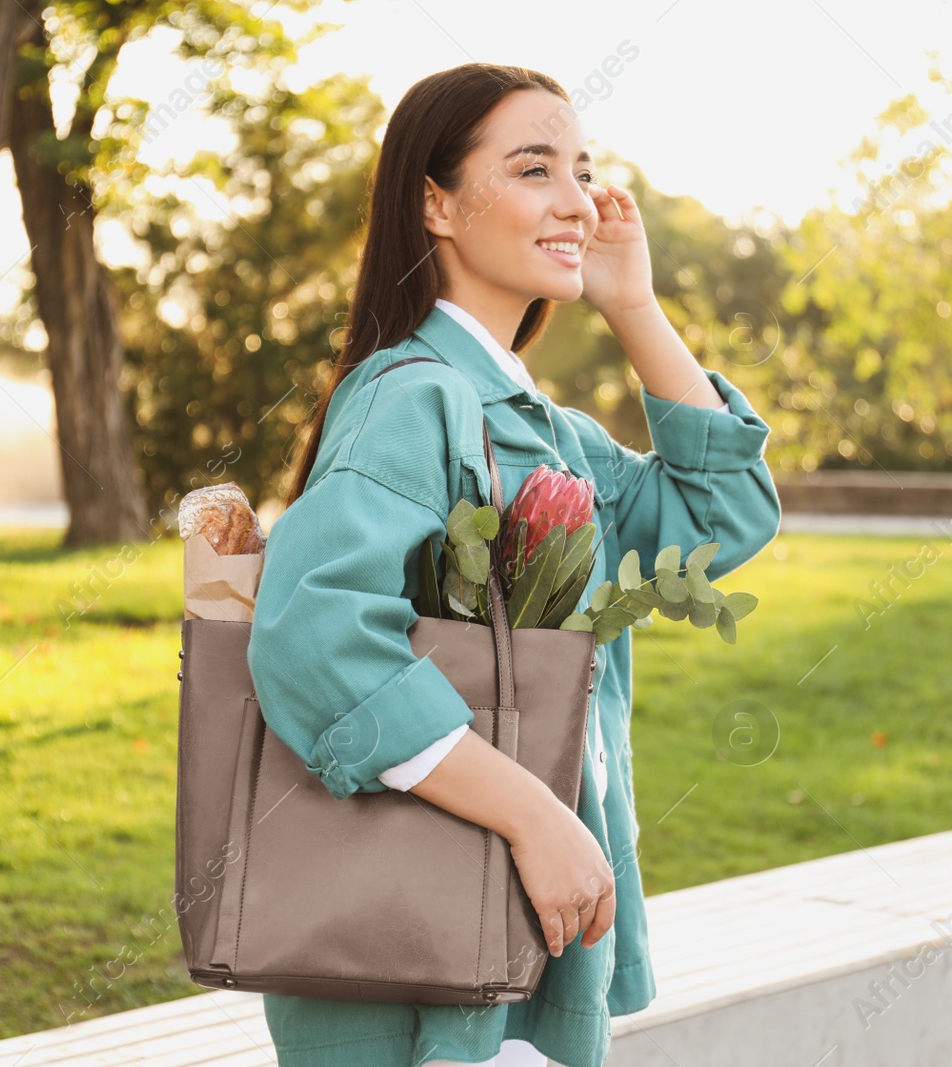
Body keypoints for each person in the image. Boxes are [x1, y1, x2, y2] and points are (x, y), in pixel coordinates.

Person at [247, 62, 781, 1067]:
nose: (576, 201)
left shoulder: (543, 433)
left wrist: (634, 307)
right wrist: (536, 813)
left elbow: (724, 517)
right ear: (435, 203)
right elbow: (314, 641)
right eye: (534, 169)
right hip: (420, 961)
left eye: (581, 172)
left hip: (515, 939)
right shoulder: (413, 399)